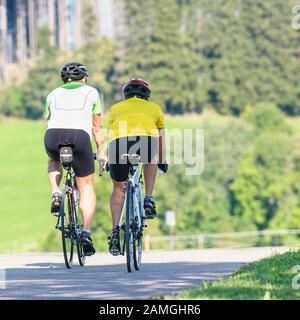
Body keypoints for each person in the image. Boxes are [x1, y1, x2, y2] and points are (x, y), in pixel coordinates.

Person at [44, 62, 106, 256]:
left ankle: (55, 191)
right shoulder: (92, 92)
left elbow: (49, 121)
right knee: (86, 186)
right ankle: (86, 233)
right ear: (84, 78)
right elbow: (97, 127)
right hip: (80, 137)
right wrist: (101, 151)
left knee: (54, 160)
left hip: (53, 135)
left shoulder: (52, 94)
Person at [107, 78, 168, 256]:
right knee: (152, 156)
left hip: (118, 145)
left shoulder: (115, 108)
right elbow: (161, 137)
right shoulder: (155, 108)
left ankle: (115, 231)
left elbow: (110, 134)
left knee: (119, 187)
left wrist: (109, 159)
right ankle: (148, 198)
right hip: (145, 142)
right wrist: (162, 160)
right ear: (147, 95)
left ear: (126, 94)